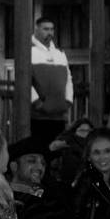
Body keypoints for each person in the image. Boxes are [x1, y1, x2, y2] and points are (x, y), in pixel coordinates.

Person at [30, 16, 73, 144]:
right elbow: (24, 81)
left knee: (57, 152)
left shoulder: (60, 53)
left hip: (59, 115)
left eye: (52, 29)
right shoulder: (28, 52)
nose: (50, 32)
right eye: (45, 29)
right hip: (38, 116)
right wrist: (37, 103)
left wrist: (68, 101)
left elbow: (68, 78)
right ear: (36, 30)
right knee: (40, 149)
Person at [47, 117, 94, 185]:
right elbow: (52, 148)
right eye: (82, 131)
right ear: (75, 130)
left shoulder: (93, 143)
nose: (86, 134)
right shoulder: (68, 139)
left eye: (88, 131)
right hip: (66, 179)